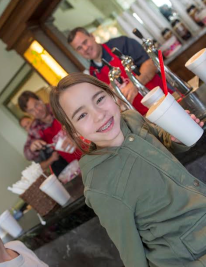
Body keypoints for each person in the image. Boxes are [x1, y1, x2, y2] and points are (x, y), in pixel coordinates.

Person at [50, 73, 206, 267]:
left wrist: (177, 139)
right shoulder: (100, 187)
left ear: (112, 96)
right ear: (74, 131)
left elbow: (162, 143)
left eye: (99, 99)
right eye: (82, 115)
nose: (99, 114)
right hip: (191, 258)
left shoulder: (132, 119)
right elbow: (131, 254)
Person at [67, 27, 173, 115]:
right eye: (79, 48)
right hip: (143, 117)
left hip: (165, 99)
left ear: (92, 36)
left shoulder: (121, 44)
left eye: (85, 42)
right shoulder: (92, 74)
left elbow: (151, 64)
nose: (85, 48)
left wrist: (134, 85)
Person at [18, 91, 82, 177]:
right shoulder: (35, 128)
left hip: (92, 147)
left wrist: (73, 134)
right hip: (78, 164)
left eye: (36, 105)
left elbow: (82, 117)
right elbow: (27, 154)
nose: (37, 111)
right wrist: (33, 148)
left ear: (40, 99)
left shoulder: (58, 106)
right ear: (28, 113)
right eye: (31, 111)